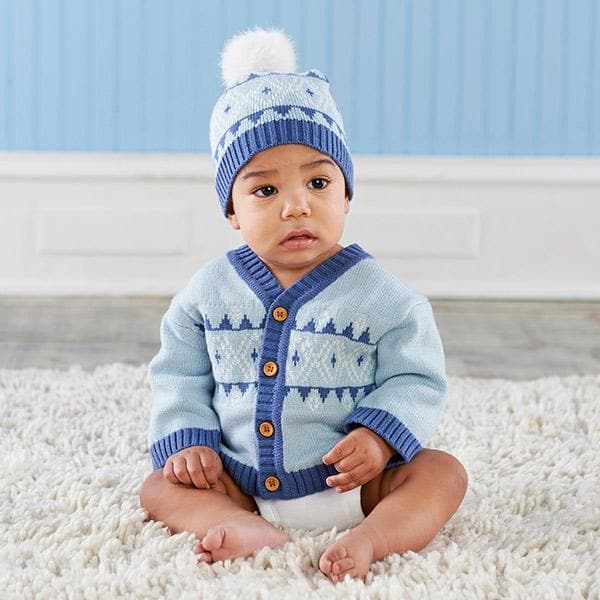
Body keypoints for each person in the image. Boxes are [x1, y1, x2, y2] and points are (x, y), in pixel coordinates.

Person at [139, 27, 468, 583]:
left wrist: (380, 437)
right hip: (239, 477)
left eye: (318, 181)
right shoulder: (207, 292)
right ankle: (240, 524)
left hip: (355, 483)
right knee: (158, 487)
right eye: (265, 190)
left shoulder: (382, 296)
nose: (296, 206)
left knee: (443, 473)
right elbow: (179, 374)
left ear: (346, 194)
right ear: (232, 212)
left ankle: (374, 536)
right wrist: (191, 440)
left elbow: (416, 377)